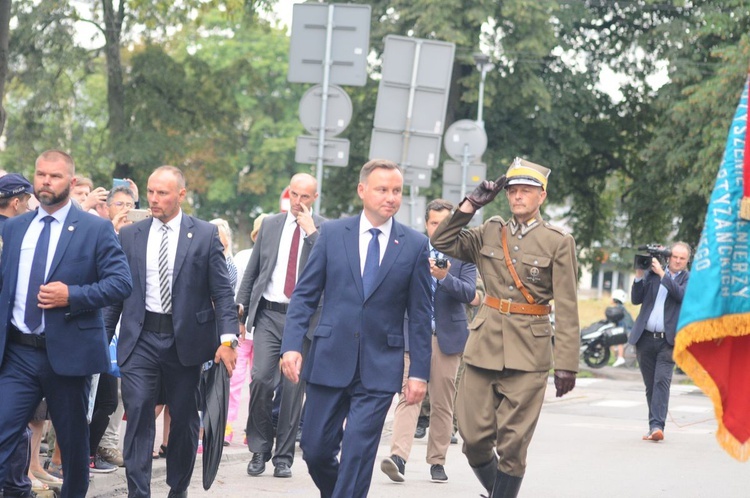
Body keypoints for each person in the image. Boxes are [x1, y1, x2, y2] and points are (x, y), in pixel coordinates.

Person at [280, 158, 433, 498]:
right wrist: (291, 345)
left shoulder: (413, 244)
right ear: (362, 190)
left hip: (380, 365)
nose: (390, 197)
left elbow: (421, 316)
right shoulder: (333, 234)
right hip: (330, 357)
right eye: (382, 189)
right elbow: (304, 296)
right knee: (316, 448)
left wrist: (420, 372)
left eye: (397, 191)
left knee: (358, 454)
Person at [431, 157, 580, 498]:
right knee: (473, 439)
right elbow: (442, 242)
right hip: (484, 346)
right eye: (513, 191)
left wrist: (567, 364)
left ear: (542, 195)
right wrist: (469, 205)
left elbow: (569, 306)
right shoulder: (489, 231)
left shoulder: (557, 241)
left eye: (526, 191)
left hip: (530, 352)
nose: (517, 197)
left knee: (512, 447)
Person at [0, 149, 133, 498]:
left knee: (73, 449)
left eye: (55, 176)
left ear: (71, 182)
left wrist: (72, 295)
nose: (46, 180)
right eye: (40, 174)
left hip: (69, 355)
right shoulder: (15, 229)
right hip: (18, 353)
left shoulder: (95, 229)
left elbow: (121, 283)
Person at [104, 165, 238, 498]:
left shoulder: (205, 235)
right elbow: (118, 293)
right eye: (150, 192)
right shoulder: (131, 235)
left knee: (185, 422)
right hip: (141, 338)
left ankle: (178, 488)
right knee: (138, 414)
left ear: (181, 194)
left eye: (162, 193)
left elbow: (222, 294)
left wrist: (227, 341)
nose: (154, 199)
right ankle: (138, 492)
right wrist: (101, 338)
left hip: (187, 343)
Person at [381, 199, 476, 484]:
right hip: (415, 336)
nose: (438, 228)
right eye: (434, 223)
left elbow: (470, 293)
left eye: (445, 223)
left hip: (448, 337)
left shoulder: (465, 255)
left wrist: (445, 277)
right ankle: (398, 457)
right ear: (426, 224)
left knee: (443, 403)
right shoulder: (412, 250)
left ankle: (437, 461)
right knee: (409, 394)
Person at [236, 173, 324, 478]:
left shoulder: (323, 230)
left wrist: (311, 232)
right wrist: (241, 310)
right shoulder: (272, 224)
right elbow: (253, 270)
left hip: (302, 320)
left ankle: (283, 457)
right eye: (294, 195)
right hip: (269, 315)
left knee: (291, 387)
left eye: (304, 197)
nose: (298, 202)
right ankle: (259, 448)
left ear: (314, 198)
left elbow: (330, 267)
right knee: (260, 379)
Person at [628, 242, 690, 442]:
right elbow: (636, 299)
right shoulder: (653, 274)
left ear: (687, 261)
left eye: (682, 258)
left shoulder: (689, 280)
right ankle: (653, 425)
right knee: (650, 386)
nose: (678, 261)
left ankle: (657, 426)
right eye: (675, 257)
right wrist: (639, 274)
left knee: (661, 381)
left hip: (668, 341)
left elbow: (680, 295)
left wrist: (663, 276)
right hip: (645, 338)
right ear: (669, 256)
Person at [226, 213, 267, 447]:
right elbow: (235, 293)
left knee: (259, 383)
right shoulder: (243, 258)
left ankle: (252, 428)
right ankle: (227, 426)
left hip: (263, 331)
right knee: (234, 380)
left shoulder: (275, 261)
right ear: (254, 235)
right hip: (242, 332)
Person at [610, 289, 634, 367]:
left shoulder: (618, 309)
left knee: (618, 338)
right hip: (629, 329)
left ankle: (620, 357)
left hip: (627, 330)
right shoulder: (621, 308)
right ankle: (618, 355)